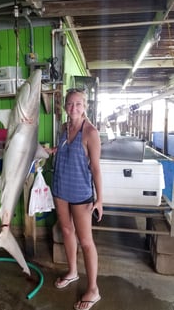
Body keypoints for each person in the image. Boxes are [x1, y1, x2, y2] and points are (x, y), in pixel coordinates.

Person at [49, 88, 103, 310]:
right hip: (60, 188)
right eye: (70, 104)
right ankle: (72, 271)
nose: (73, 108)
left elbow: (96, 168)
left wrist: (100, 199)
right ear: (65, 107)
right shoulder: (64, 128)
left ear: (85, 106)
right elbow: (64, 151)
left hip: (81, 194)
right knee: (66, 230)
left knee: (86, 242)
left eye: (78, 104)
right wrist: (50, 150)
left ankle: (93, 289)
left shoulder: (90, 133)